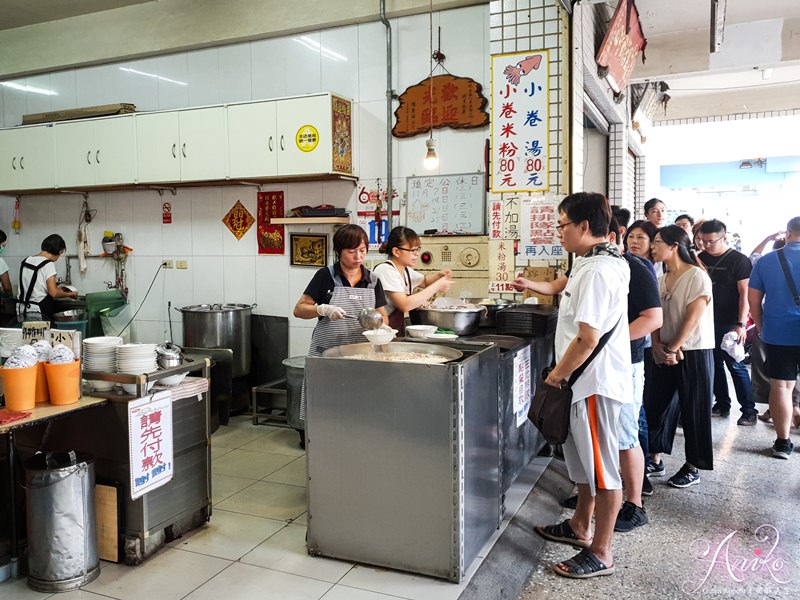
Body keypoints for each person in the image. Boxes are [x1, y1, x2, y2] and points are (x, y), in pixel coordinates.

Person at [532, 192, 631, 579]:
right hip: (584, 380)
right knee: (585, 463)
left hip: (591, 382)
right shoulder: (599, 260)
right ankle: (579, 525)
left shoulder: (596, 270)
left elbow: (588, 338)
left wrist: (557, 376)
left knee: (603, 470)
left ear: (583, 227)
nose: (559, 232)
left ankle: (602, 551)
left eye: (561, 225)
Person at [293, 225, 389, 439]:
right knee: (323, 410)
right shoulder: (325, 276)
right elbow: (299, 309)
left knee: (356, 414)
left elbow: (383, 316)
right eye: (351, 251)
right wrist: (322, 309)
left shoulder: (373, 280)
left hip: (360, 356)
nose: (358, 256)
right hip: (326, 354)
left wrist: (380, 326)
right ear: (339, 251)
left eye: (362, 250)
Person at [644, 225, 715, 488]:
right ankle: (655, 458)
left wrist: (674, 348)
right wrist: (657, 346)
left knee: (693, 408)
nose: (653, 246)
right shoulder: (662, 279)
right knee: (656, 406)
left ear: (675, 246)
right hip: (664, 349)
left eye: (658, 242)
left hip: (693, 351)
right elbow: (656, 316)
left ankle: (693, 466)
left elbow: (693, 318)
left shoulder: (697, 276)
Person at [748, 216, 800, 459]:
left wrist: (761, 326)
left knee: (781, 386)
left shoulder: (768, 261)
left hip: (779, 332)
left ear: (788, 233)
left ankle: (782, 442)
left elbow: (754, 300)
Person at [698, 219, 757, 425]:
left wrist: (740, 324)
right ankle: (722, 404)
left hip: (731, 322)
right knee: (714, 365)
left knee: (736, 365)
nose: (705, 245)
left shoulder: (739, 260)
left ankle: (749, 411)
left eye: (711, 241)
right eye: (702, 241)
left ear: (724, 238)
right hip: (706, 322)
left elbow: (745, 294)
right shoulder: (700, 258)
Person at [373, 226, 452, 334]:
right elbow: (404, 304)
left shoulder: (405, 270)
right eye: (412, 250)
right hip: (380, 331)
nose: (417, 254)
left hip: (393, 330)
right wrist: (437, 286)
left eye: (418, 249)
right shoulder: (385, 270)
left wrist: (439, 275)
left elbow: (424, 282)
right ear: (396, 251)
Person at [18, 233, 78, 321]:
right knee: (42, 334)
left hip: (22, 309)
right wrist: (70, 294)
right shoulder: (48, 264)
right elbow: (53, 293)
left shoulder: (26, 261)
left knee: (26, 333)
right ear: (59, 251)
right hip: (39, 310)